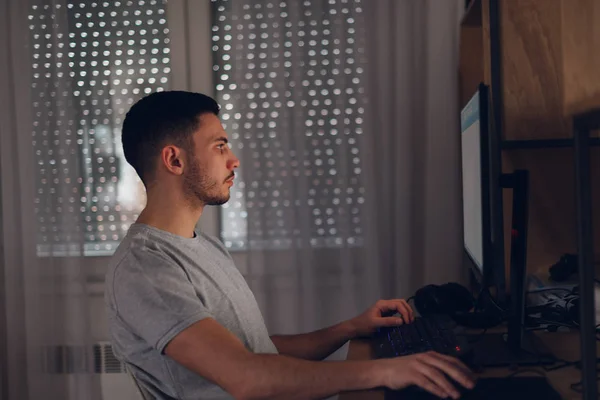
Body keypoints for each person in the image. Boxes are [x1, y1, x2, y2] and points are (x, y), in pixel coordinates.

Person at [105, 91, 475, 400]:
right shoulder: (146, 267)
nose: (233, 160)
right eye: (219, 146)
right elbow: (246, 376)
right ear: (174, 159)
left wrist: (349, 328)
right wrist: (386, 370)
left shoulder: (205, 246)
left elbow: (257, 351)